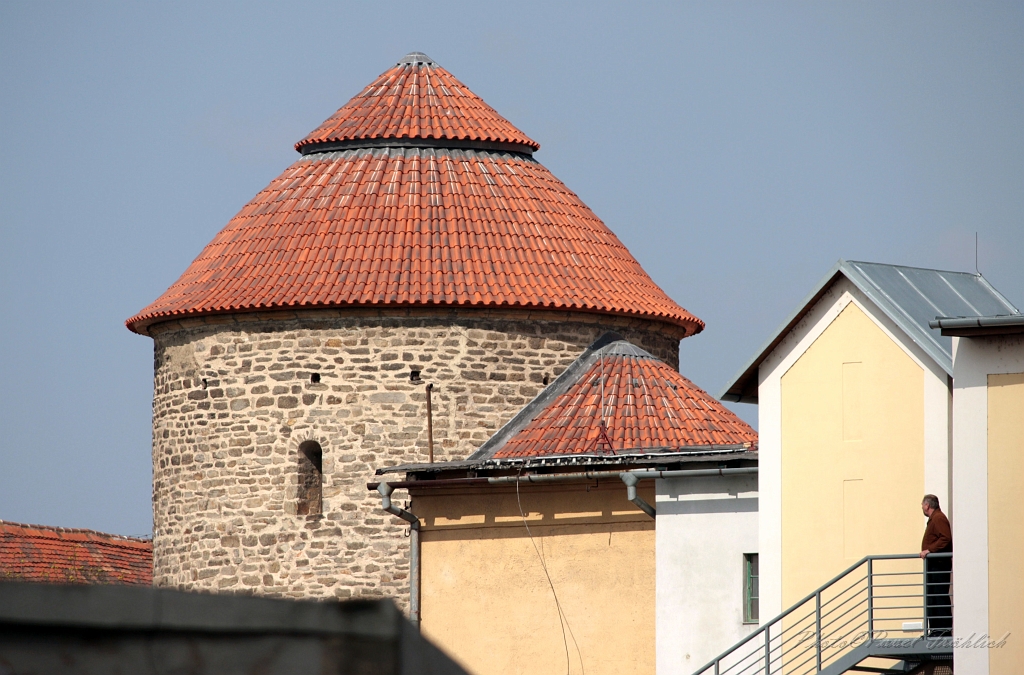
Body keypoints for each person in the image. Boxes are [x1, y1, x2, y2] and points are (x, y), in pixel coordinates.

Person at [920, 494, 952, 637]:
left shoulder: (938, 518)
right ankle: (936, 630)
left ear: (927, 505)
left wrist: (930, 550)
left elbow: (946, 538)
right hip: (934, 564)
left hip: (939, 564)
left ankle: (942, 630)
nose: (921, 507)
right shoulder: (935, 518)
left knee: (938, 595)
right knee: (933, 596)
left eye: (922, 504)